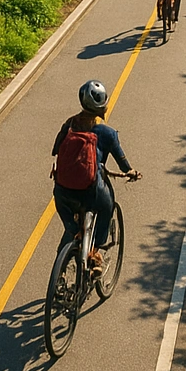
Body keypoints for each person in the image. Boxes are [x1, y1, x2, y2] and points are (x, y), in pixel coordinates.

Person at [51, 81, 140, 269]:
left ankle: (60, 273)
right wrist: (130, 172)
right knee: (107, 205)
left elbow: (55, 150)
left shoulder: (69, 125)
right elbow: (123, 163)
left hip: (62, 191)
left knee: (72, 229)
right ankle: (96, 250)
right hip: (90, 191)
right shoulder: (106, 133)